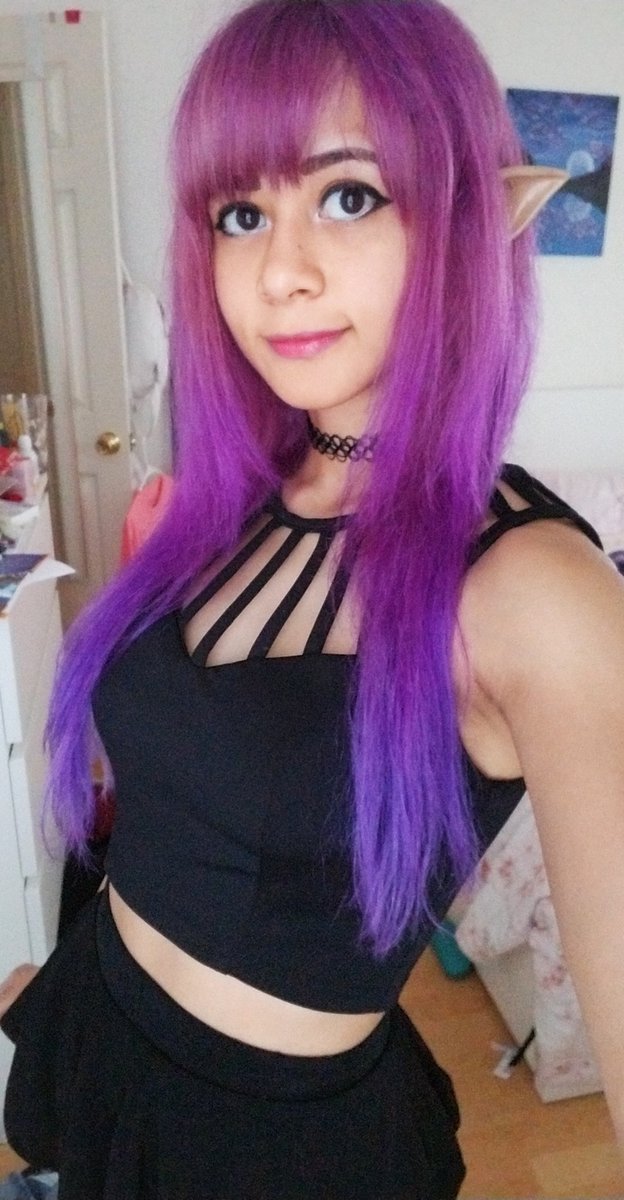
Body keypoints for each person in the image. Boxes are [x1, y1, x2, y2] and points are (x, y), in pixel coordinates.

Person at [1, 1, 623, 1196]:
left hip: (274, 1156)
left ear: (473, 218)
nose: (280, 273)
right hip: (101, 1034)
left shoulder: (536, 592)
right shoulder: (233, 498)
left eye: (348, 195)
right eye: (242, 215)